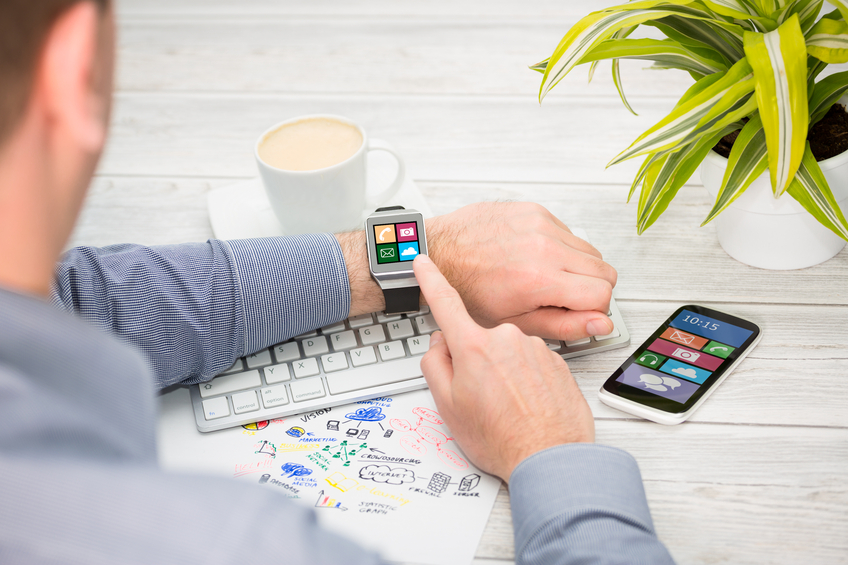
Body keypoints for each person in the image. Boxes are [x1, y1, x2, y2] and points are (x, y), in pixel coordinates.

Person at [0, 1, 675, 563]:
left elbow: (92, 299)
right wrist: (551, 452)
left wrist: (416, 253)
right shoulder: (237, 545)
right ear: (72, 71)